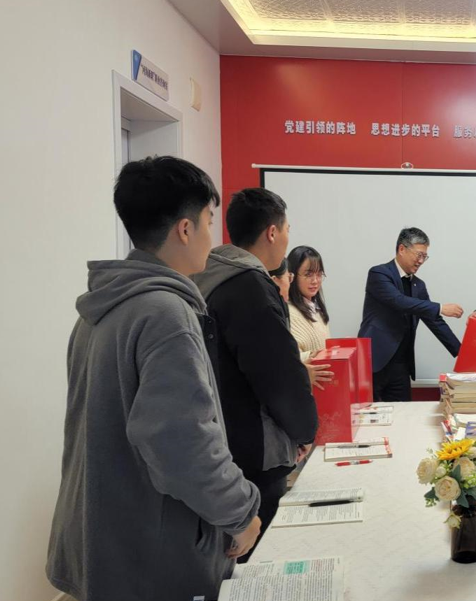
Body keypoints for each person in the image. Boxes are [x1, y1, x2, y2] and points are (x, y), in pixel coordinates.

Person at [46, 157, 261, 601]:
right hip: (149, 551)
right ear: (184, 229)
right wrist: (241, 511)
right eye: (208, 222)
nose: (212, 237)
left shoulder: (100, 308)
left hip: (104, 537)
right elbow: (183, 444)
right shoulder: (165, 313)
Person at [193, 188, 317, 561]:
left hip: (224, 444)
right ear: (272, 233)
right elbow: (278, 375)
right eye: (287, 229)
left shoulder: (210, 278)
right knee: (258, 561)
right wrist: (304, 430)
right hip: (255, 450)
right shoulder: (249, 286)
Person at [358, 227, 463, 402]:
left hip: (401, 365)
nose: (421, 261)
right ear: (402, 249)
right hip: (375, 362)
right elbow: (399, 301)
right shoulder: (379, 274)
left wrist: (461, 352)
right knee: (370, 414)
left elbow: (434, 321)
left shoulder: (419, 285)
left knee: (403, 413)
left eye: (425, 256)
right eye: (418, 255)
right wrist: (440, 307)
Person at [287, 245, 332, 362]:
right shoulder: (288, 312)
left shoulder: (317, 309)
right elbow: (287, 358)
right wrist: (311, 356)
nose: (315, 281)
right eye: (308, 274)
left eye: (319, 274)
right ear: (292, 276)